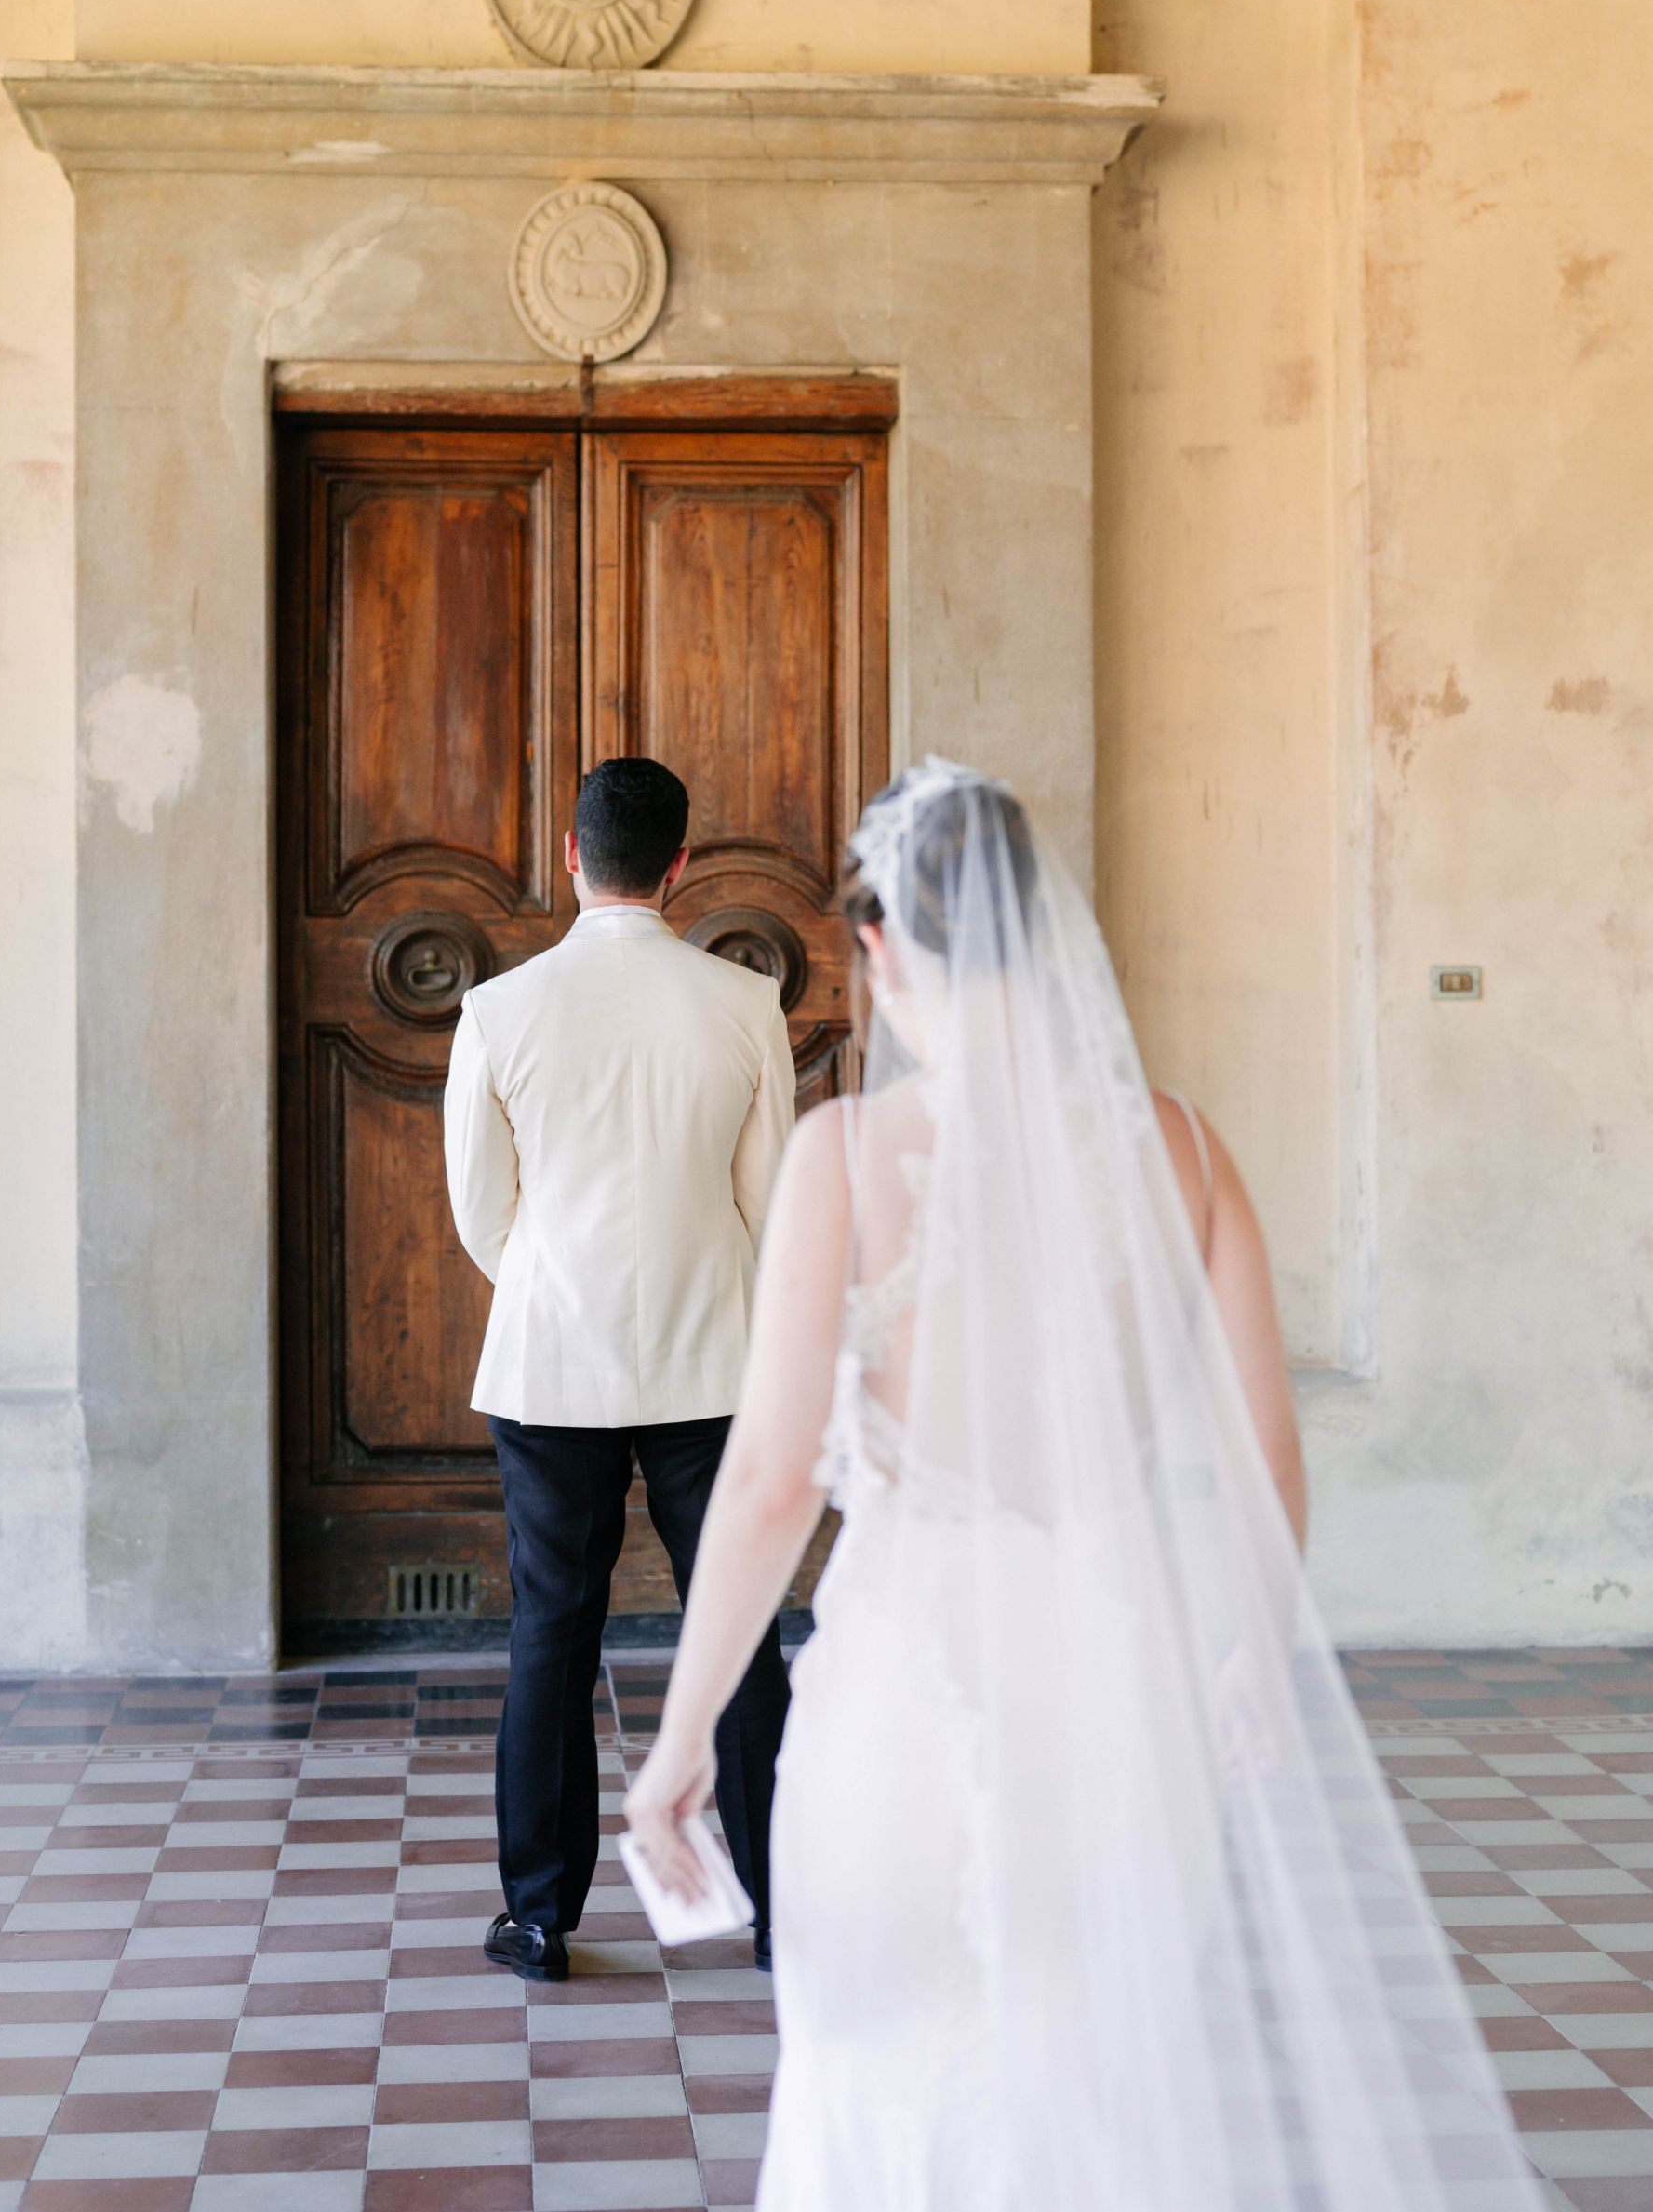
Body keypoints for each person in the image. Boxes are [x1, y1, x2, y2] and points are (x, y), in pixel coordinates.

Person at [626, 759, 1542, 2209]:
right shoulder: (1181, 1151)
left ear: (878, 948)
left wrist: (680, 1749)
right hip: (1122, 1713)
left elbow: (765, 1492)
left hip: (898, 1713)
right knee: (1108, 2106)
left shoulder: (848, 1157)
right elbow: (1267, 1462)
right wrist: (1242, 1658)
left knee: (871, 2099)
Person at [444, 755, 796, 1984]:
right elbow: (769, 1203)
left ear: (569, 852)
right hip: (713, 1353)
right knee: (738, 1621)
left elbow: (482, 1212)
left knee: (553, 1624)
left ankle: (540, 1914)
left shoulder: (499, 1010)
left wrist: (555, 1281)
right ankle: (775, 1904)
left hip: (550, 1360)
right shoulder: (744, 1005)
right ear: (682, 864)